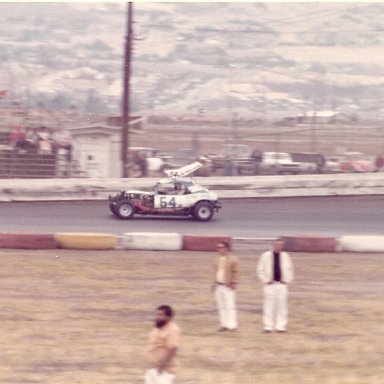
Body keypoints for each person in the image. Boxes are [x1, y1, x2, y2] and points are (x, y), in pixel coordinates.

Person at [256, 238, 294, 333]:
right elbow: (260, 270)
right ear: (273, 245)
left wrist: (287, 280)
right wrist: (266, 280)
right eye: (277, 245)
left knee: (282, 306)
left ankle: (281, 326)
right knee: (268, 306)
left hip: (281, 285)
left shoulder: (286, 256)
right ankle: (268, 326)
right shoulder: (266, 256)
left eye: (280, 245)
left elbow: (290, 270)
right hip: (270, 285)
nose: (279, 247)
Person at [145, 305, 181, 384]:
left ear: (169, 317)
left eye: (160, 315)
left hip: (164, 371)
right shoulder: (158, 327)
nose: (157, 317)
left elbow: (172, 349)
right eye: (157, 314)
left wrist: (161, 367)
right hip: (153, 368)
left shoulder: (173, 330)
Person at [211, 241, 239, 332]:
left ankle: (232, 325)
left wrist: (234, 282)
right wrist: (213, 283)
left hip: (228, 286)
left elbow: (236, 272)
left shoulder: (233, 259)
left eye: (222, 247)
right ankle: (223, 324)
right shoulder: (216, 260)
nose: (220, 249)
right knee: (221, 306)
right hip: (219, 285)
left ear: (226, 248)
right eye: (218, 247)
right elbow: (215, 273)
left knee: (230, 306)